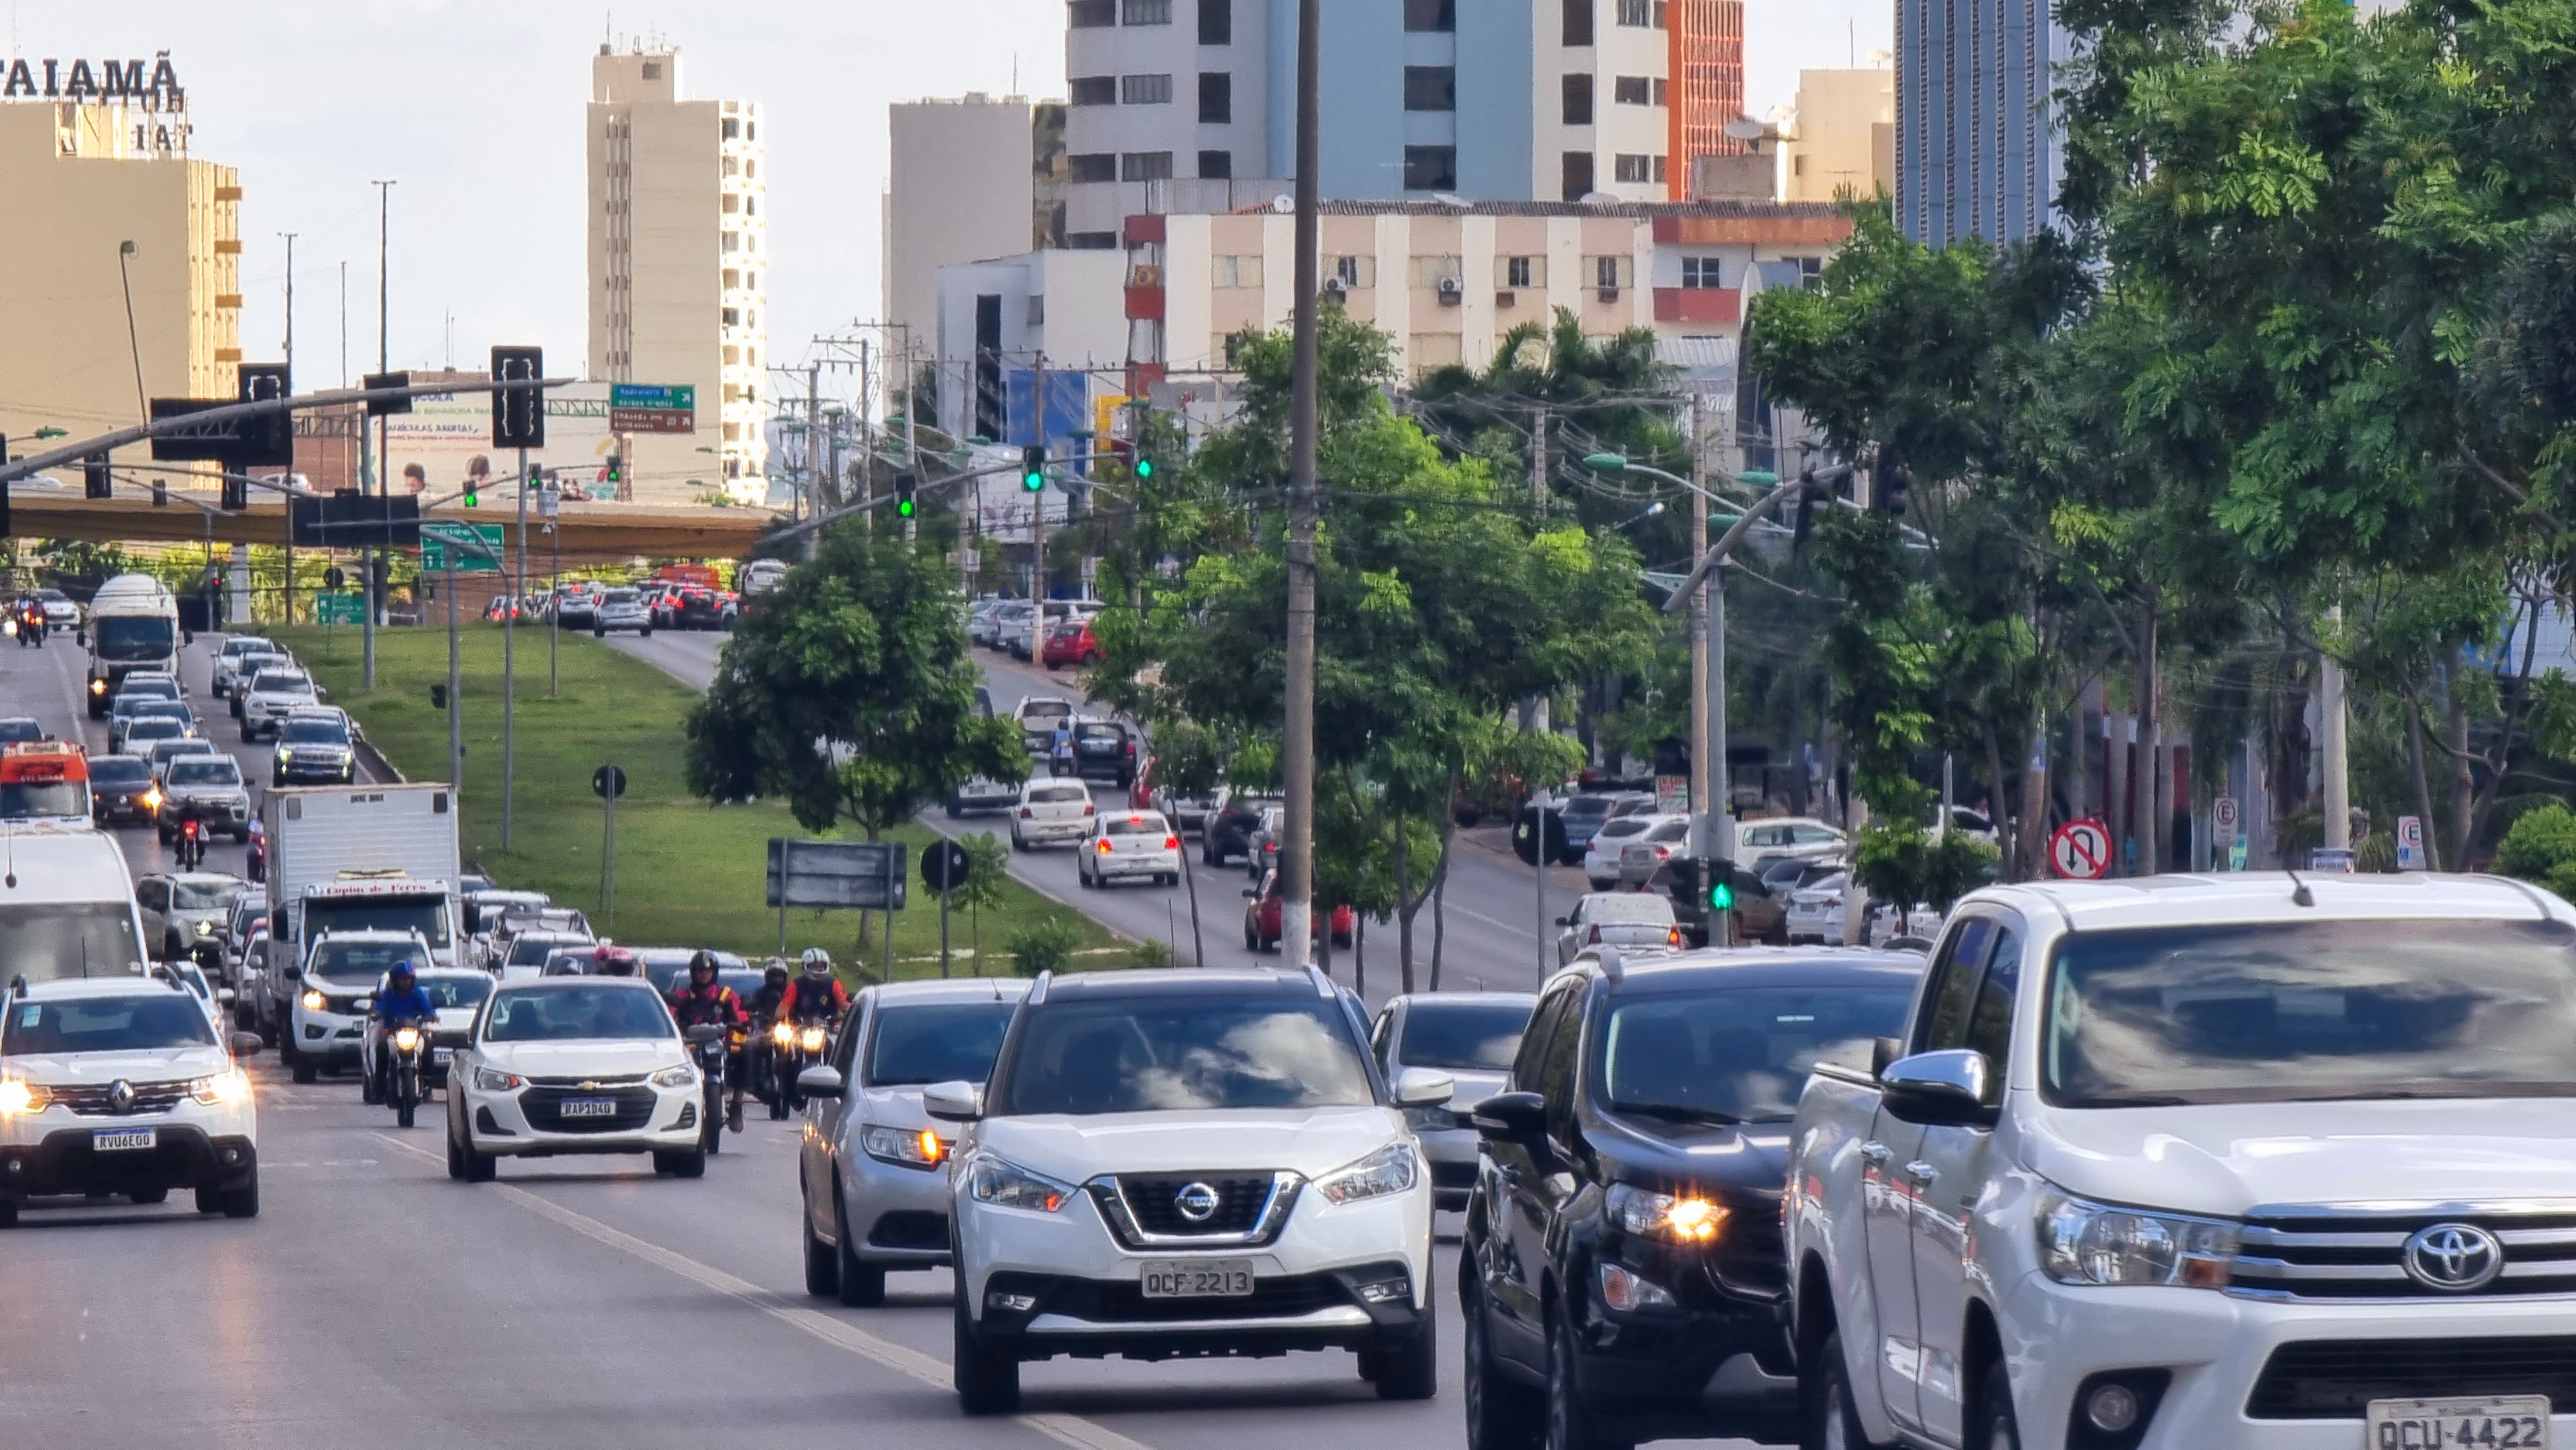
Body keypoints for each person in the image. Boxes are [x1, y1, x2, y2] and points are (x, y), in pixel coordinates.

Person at [667, 951, 748, 1131]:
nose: (703, 974)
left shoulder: (726, 995)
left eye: (707, 971)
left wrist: (743, 1023)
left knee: (746, 1052)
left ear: (714, 972)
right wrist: (674, 1023)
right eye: (699, 971)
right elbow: (670, 1013)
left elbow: (740, 1015)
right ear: (693, 973)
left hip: (720, 1043)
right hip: (690, 1045)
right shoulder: (683, 995)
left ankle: (737, 1104)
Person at [370, 961, 437, 1104]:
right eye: (402, 979)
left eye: (408, 979)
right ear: (395, 979)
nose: (405, 982)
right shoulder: (387, 994)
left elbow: (428, 1009)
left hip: (414, 1031)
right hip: (392, 1032)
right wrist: (376, 1013)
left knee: (429, 1042)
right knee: (381, 1046)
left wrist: (432, 1015)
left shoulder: (418, 993)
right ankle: (380, 1088)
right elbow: (379, 1007)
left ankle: (427, 1083)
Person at [736, 962, 791, 1118]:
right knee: (748, 1046)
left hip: (789, 1031)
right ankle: (751, 1080)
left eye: (780, 976)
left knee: (807, 1045)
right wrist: (752, 1013)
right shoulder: (761, 993)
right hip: (766, 1032)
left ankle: (799, 1079)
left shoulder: (790, 992)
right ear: (767, 977)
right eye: (774, 976)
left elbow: (801, 1006)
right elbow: (748, 1005)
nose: (777, 980)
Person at [780, 948, 849, 1028]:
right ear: (805, 966)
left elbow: (846, 1007)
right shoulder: (795, 985)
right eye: (814, 966)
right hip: (800, 1029)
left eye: (821, 966)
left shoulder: (834, 984)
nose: (818, 970)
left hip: (830, 1029)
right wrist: (780, 1019)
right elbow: (782, 1009)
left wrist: (840, 1018)